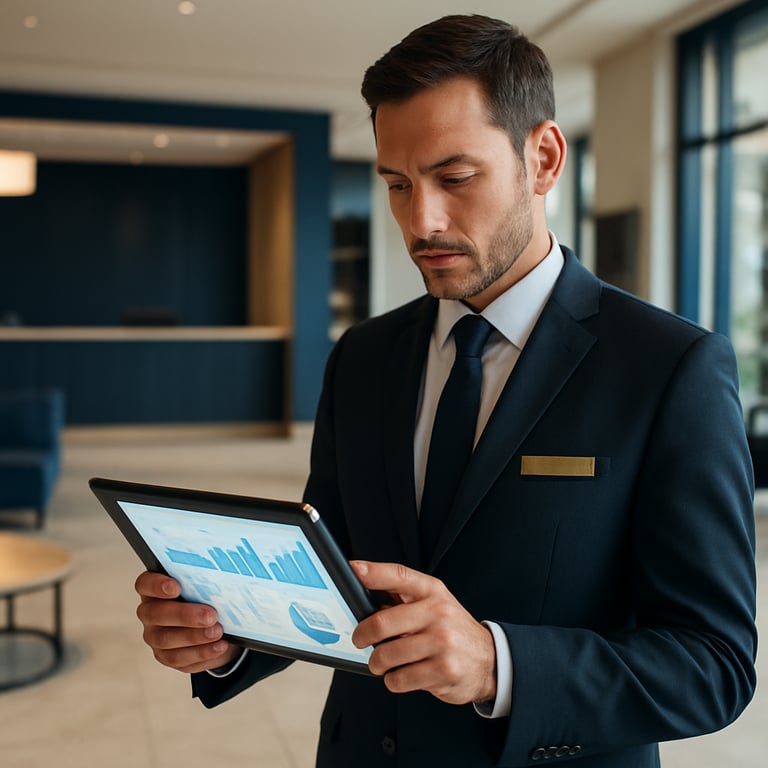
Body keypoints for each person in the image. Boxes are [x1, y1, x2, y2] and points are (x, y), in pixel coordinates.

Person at [135, 14, 757, 767]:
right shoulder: (361, 356)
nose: (420, 220)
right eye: (396, 185)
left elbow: (713, 665)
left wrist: (499, 663)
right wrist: (228, 638)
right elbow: (333, 573)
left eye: (455, 178)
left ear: (545, 158)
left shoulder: (670, 369)